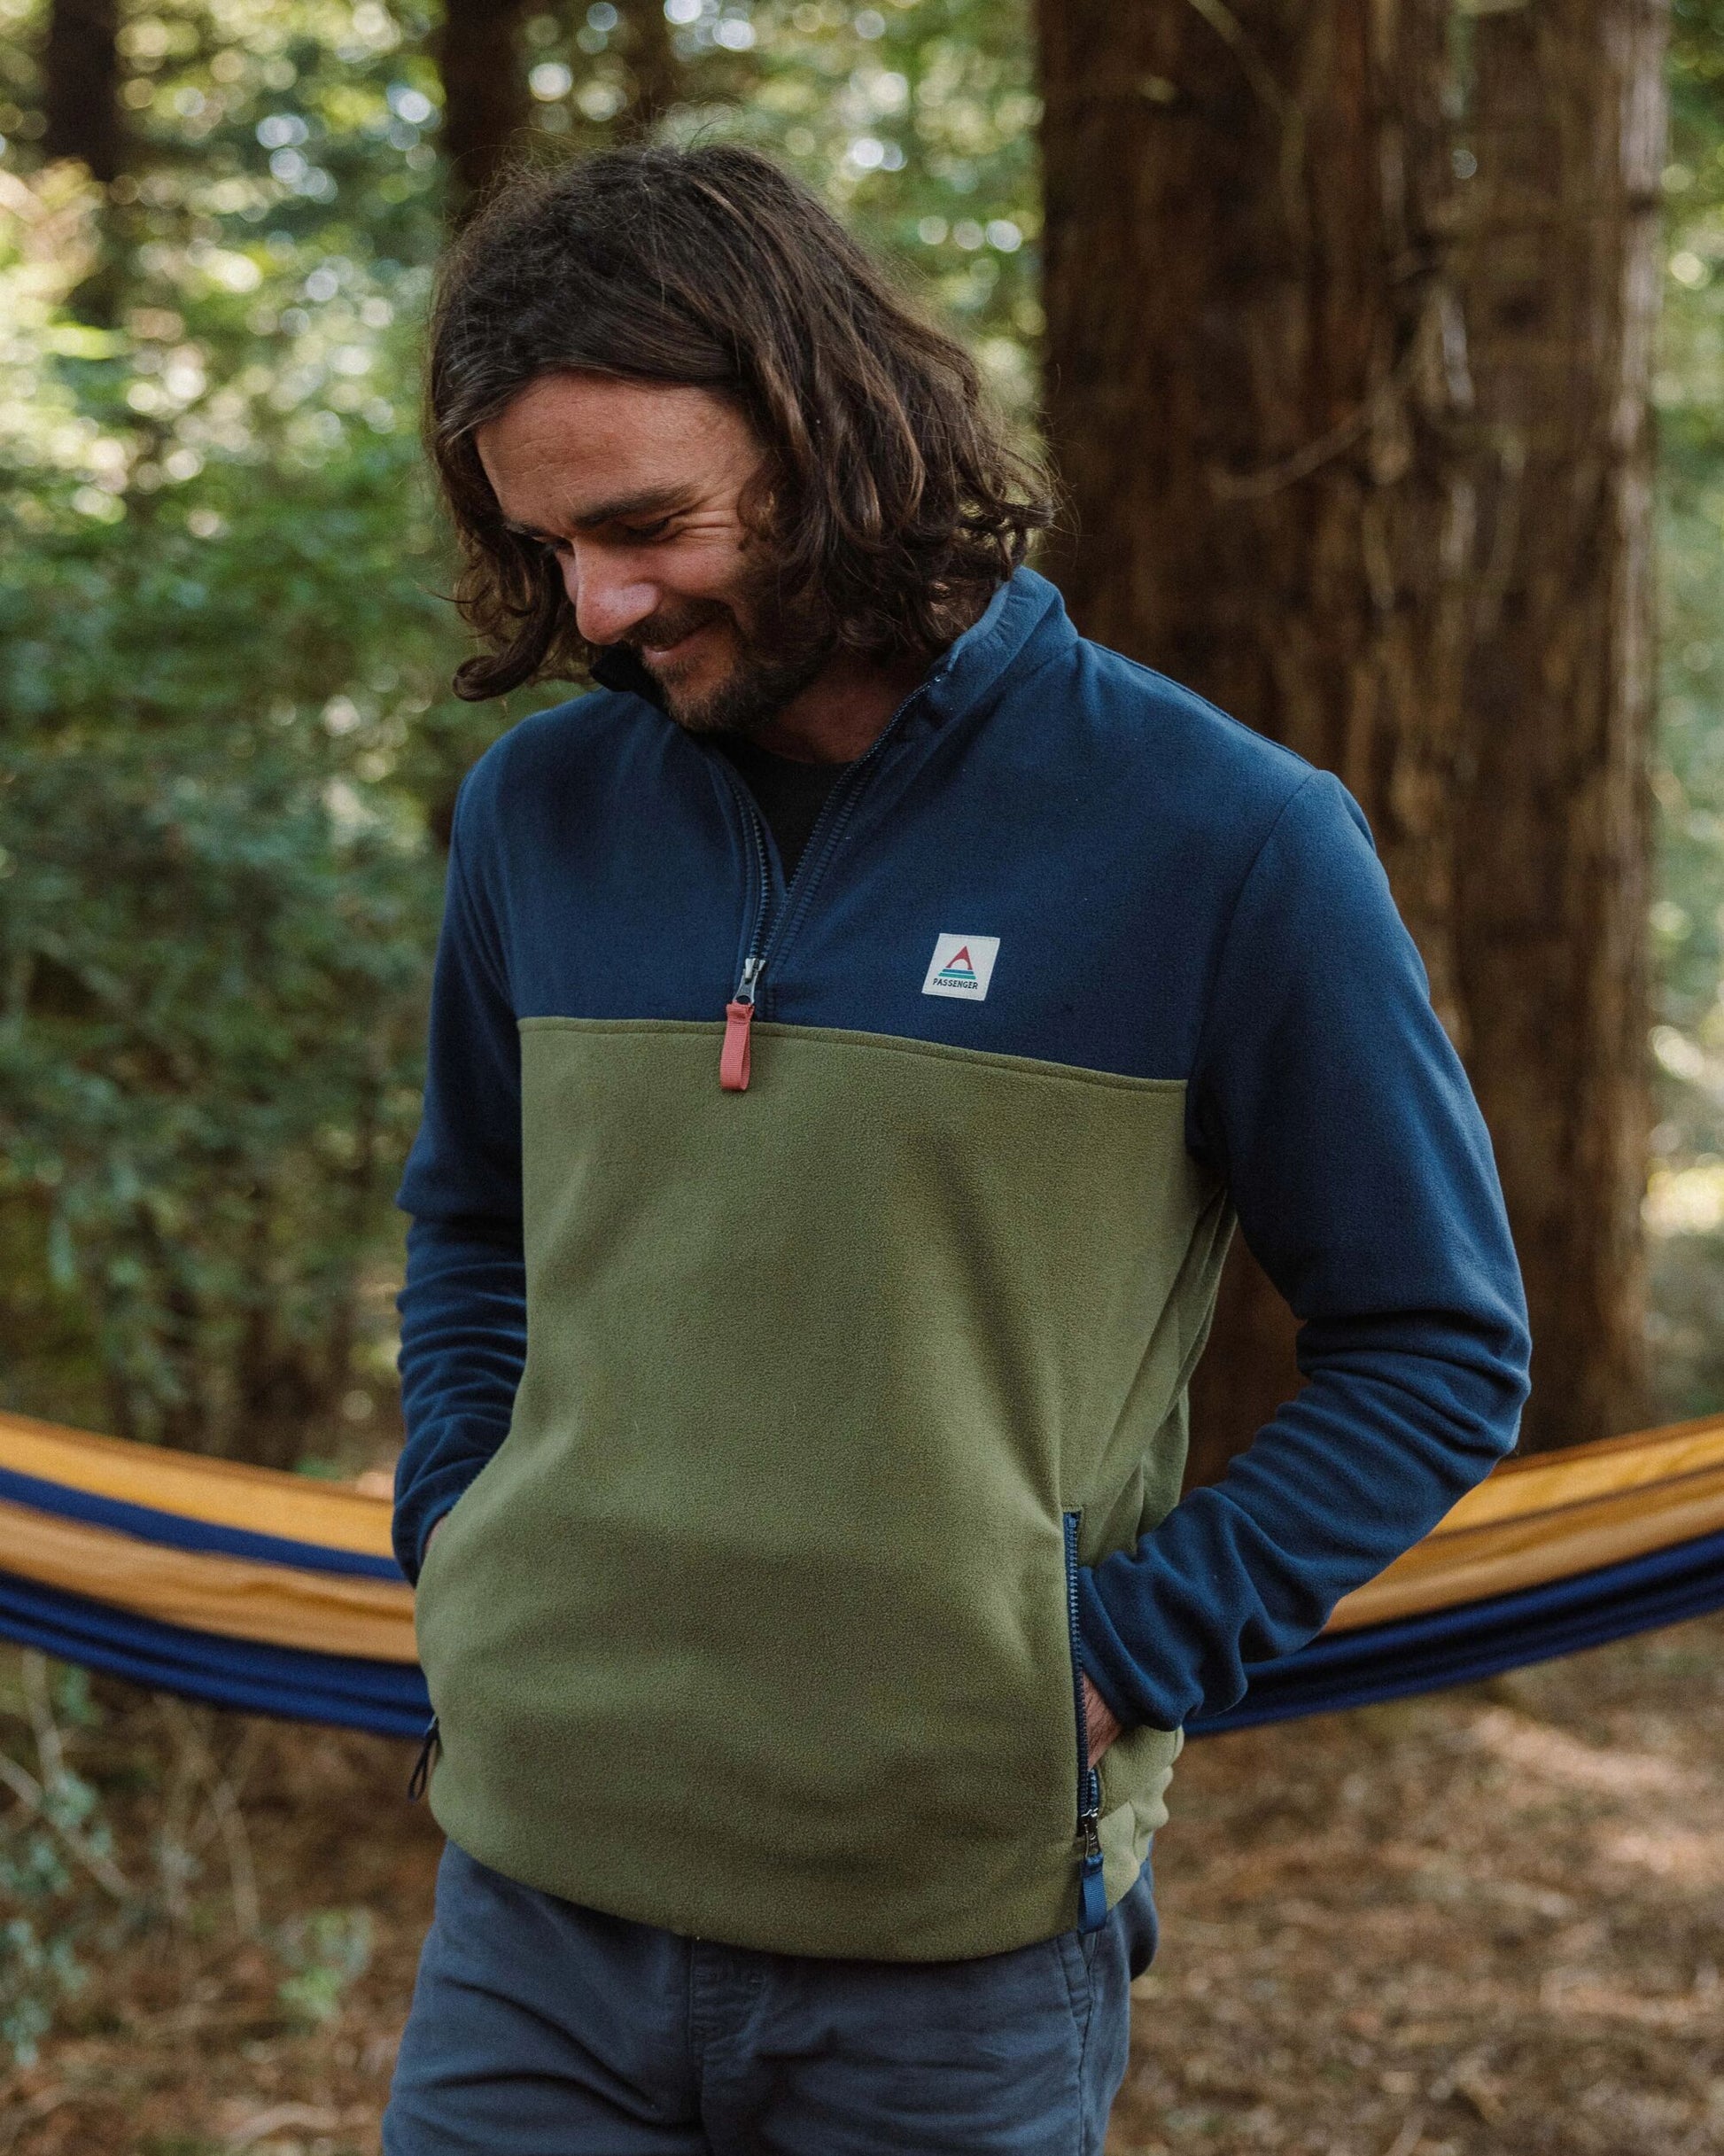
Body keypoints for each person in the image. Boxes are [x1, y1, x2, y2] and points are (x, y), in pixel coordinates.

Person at [381, 144, 1532, 2155]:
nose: (598, 606)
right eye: (546, 544)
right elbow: (473, 1223)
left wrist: (1103, 1665)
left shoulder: (1219, 836)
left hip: (947, 1948)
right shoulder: (538, 817)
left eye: (644, 525)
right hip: (532, 1900)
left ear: (834, 436)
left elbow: (1437, 1344)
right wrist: (460, 1533)